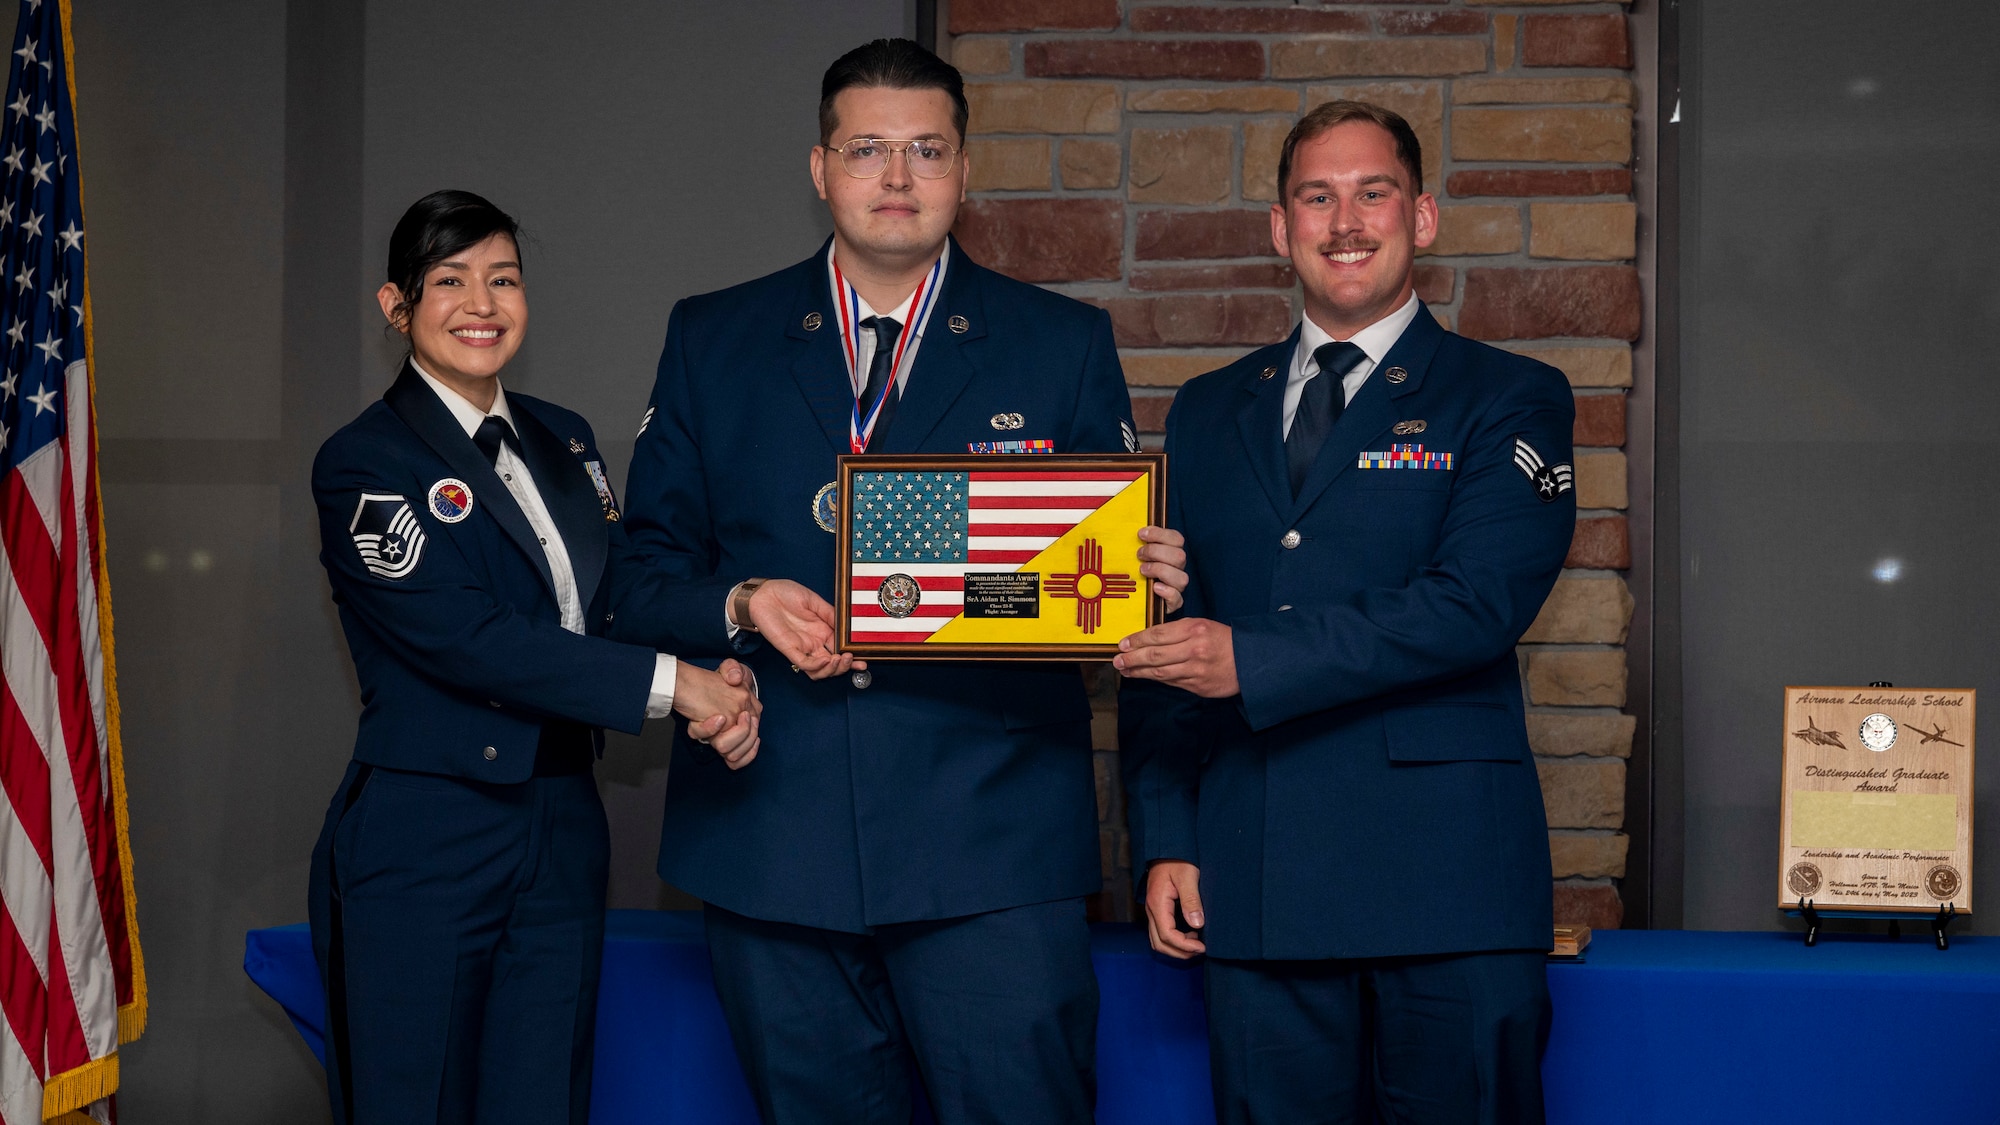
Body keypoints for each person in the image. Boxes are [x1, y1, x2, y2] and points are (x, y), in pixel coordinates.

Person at [612, 39, 1186, 1124]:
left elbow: (1099, 590)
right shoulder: (714, 338)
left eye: (925, 149)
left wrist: (1136, 583)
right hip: (773, 844)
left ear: (964, 171)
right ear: (818, 167)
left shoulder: (1060, 342)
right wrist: (737, 606)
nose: (896, 176)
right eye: (866, 149)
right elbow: (636, 581)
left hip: (992, 854)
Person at [1116, 101, 1577, 1124]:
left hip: (1444, 887)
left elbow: (1474, 604)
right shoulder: (1204, 409)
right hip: (1254, 874)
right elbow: (1165, 633)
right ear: (1280, 228)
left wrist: (1251, 659)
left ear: (1421, 218)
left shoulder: (1506, 396)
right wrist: (1164, 838)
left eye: (1372, 193)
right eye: (1314, 197)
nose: (1344, 221)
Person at [307, 189, 761, 1125]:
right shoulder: (364, 461)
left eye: (503, 278)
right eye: (450, 279)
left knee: (544, 1096)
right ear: (396, 306)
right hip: (426, 829)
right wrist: (681, 688)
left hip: (561, 818)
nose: (483, 301)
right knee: (414, 1100)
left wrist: (736, 622)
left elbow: (618, 601)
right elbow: (471, 640)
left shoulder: (564, 439)